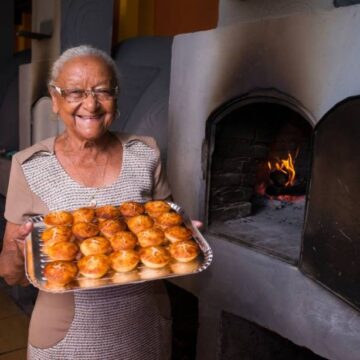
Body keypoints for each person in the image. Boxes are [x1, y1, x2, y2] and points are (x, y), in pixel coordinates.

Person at [0, 45, 173, 359]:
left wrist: (185, 231)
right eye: (74, 92)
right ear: (55, 99)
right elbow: (10, 274)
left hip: (143, 326)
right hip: (65, 337)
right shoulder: (29, 165)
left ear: (116, 100)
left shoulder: (146, 153)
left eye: (103, 91)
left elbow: (166, 232)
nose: (90, 104)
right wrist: (17, 251)